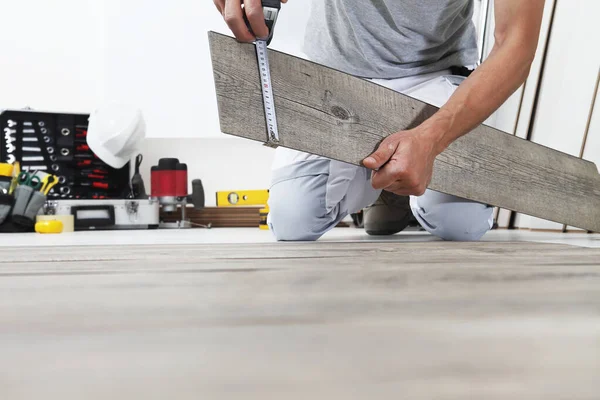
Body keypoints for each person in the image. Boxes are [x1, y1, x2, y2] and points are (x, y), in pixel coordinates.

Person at [214, 0, 545, 241]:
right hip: (336, 75)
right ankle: (386, 184)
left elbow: (516, 43)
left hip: (434, 76)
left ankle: (397, 187)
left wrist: (431, 140)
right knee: (292, 222)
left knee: (462, 224)